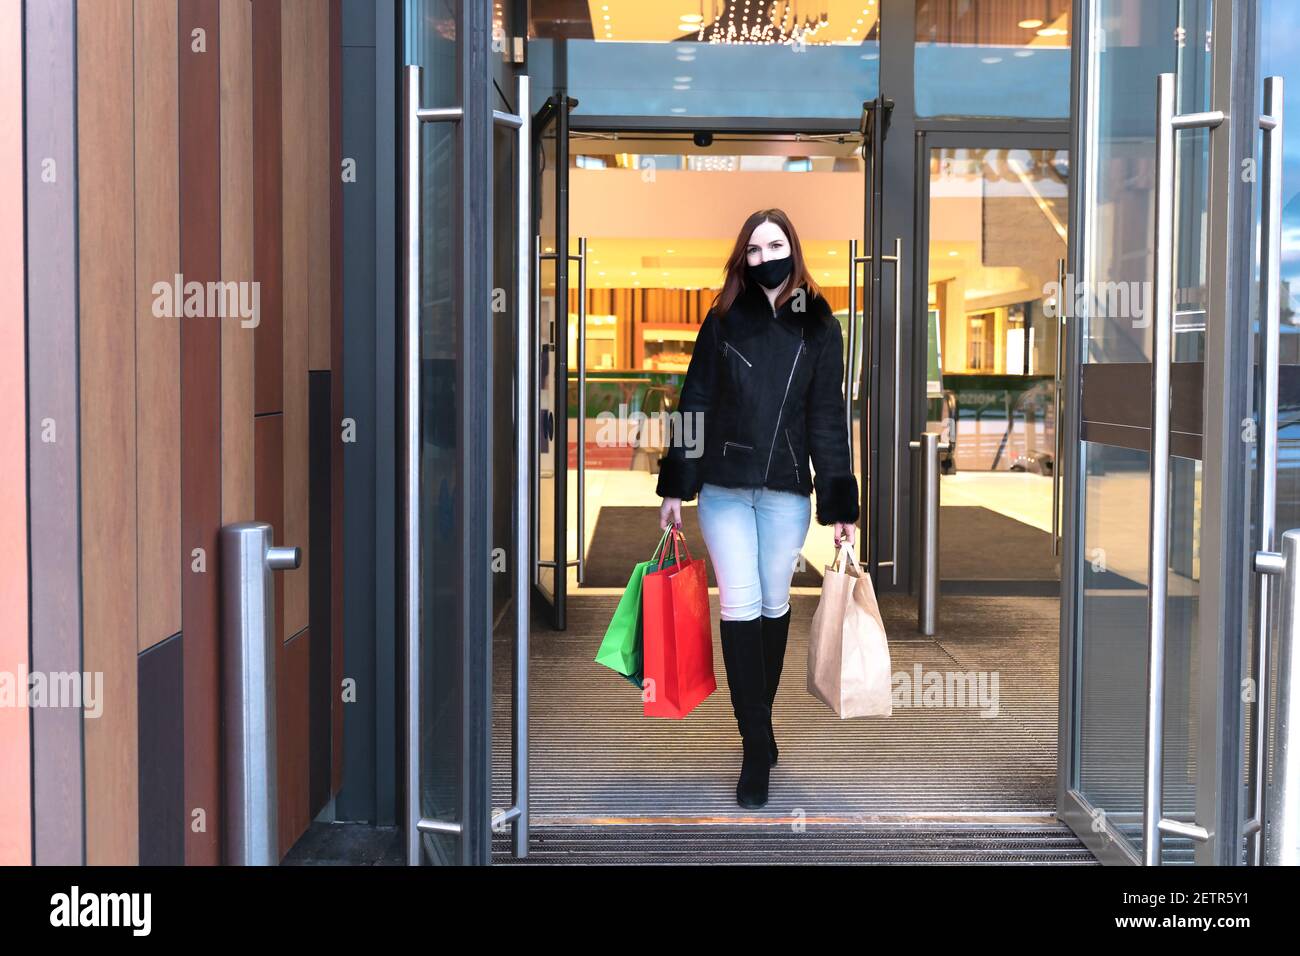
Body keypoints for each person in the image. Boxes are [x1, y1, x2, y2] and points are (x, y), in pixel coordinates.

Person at [656, 208, 859, 809]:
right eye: (752, 247)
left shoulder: (820, 326)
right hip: (723, 486)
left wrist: (840, 500)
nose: (763, 254)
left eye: (774, 243)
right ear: (741, 258)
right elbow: (693, 402)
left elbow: (828, 418)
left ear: (793, 250)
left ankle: (758, 726)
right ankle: (755, 745)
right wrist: (676, 486)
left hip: (787, 491)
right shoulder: (721, 321)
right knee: (740, 604)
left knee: (773, 605)